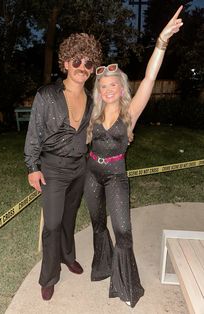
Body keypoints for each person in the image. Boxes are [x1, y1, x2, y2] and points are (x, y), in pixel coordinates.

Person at [84, 6, 183, 308]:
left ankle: (126, 285)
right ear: (99, 91)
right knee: (97, 223)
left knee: (123, 230)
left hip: (115, 175)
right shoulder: (93, 111)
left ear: (121, 87)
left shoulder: (130, 111)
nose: (109, 89)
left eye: (113, 84)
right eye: (103, 86)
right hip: (90, 172)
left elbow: (151, 77)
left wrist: (161, 43)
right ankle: (101, 267)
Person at [24, 33, 102, 301]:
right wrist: (33, 166)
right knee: (53, 223)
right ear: (66, 62)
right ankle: (48, 276)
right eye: (77, 60)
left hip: (80, 167)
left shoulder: (93, 100)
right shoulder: (47, 95)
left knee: (69, 218)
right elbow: (34, 134)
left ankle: (69, 257)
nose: (83, 67)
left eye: (89, 63)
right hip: (53, 169)